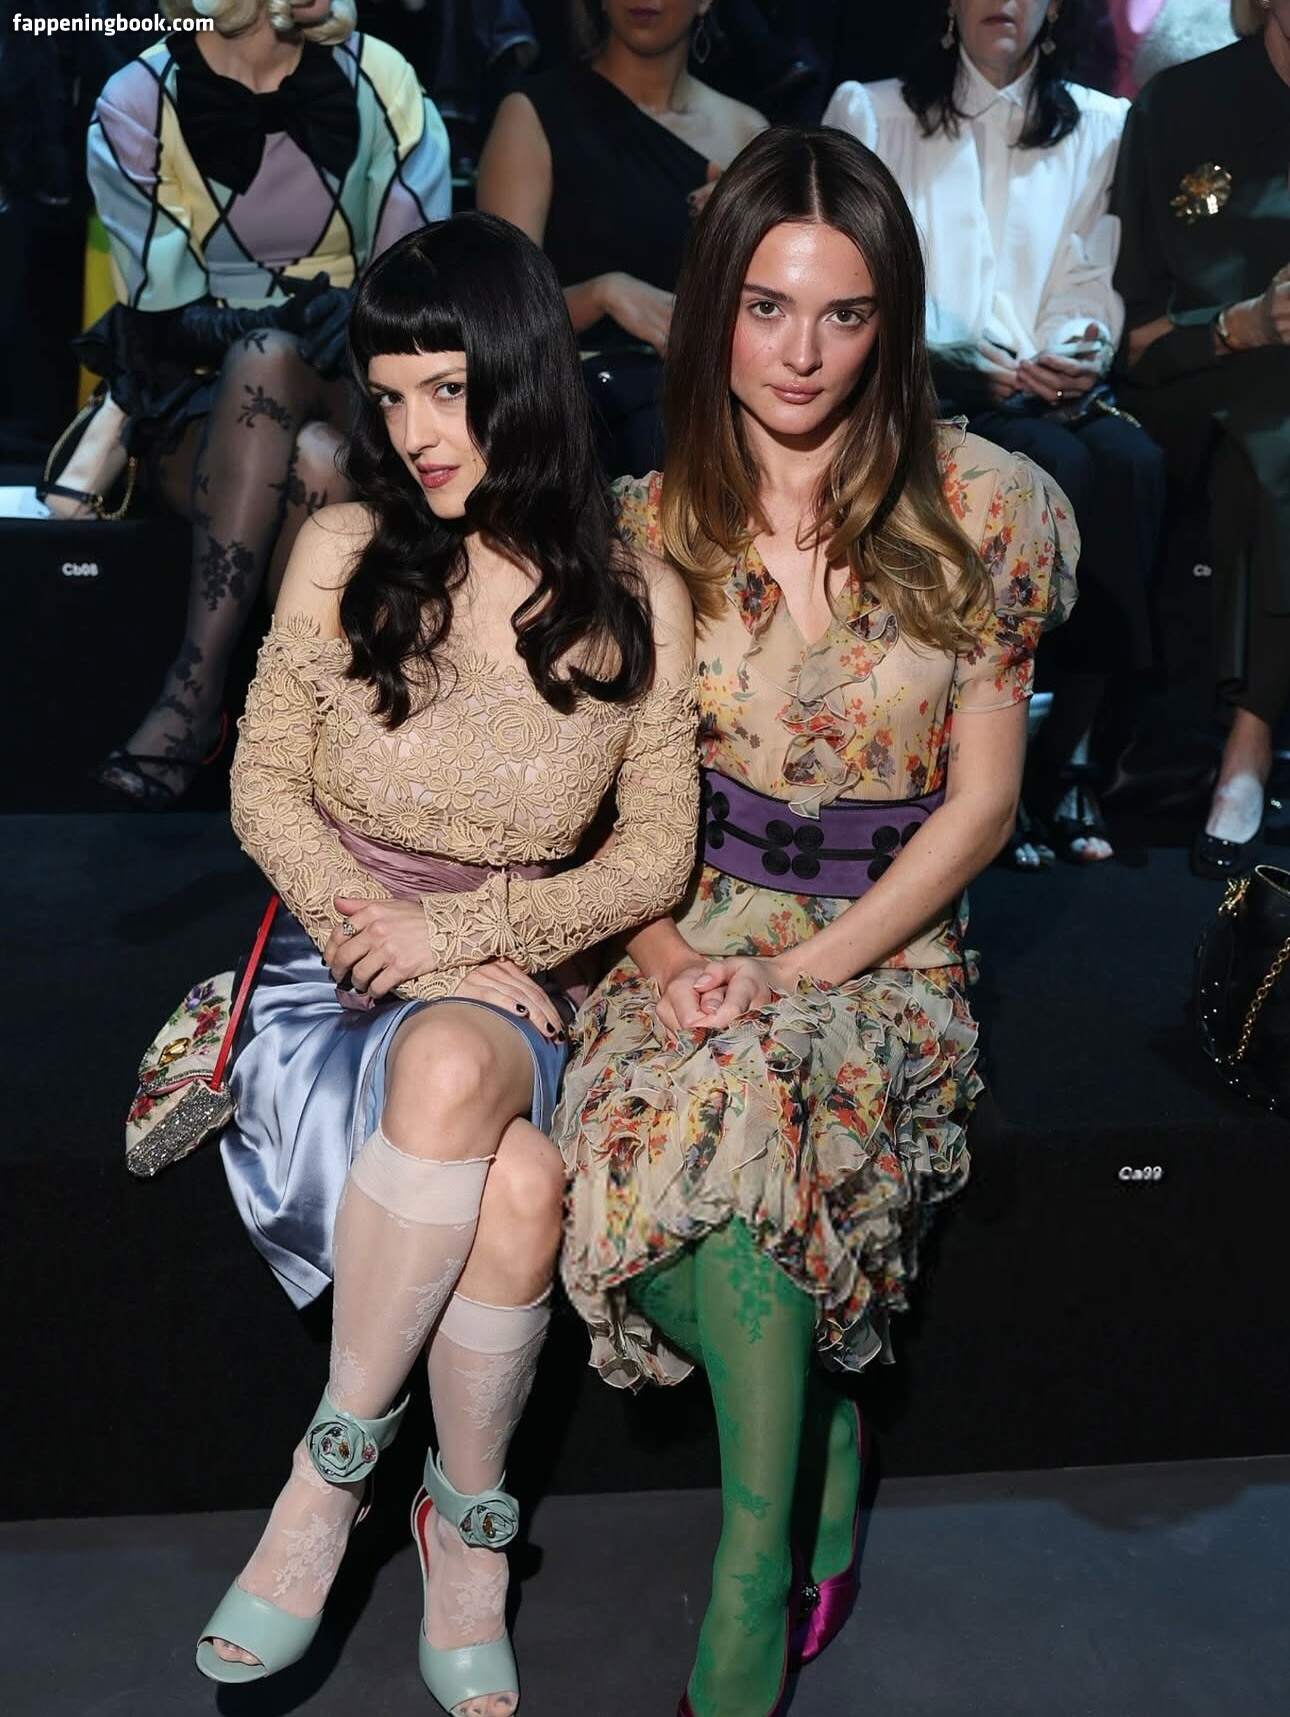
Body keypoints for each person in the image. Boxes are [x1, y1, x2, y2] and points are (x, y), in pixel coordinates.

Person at [553, 127, 1077, 1717]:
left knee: (758, 1099)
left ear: (888, 322)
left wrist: (800, 970)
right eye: (766, 308)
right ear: (712, 309)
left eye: (843, 315)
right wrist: (666, 959)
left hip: (885, 946)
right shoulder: (641, 524)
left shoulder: (986, 507)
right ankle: (824, 1436)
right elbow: (604, 807)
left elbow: (980, 807)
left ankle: (749, 1560)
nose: (800, 353)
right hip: (674, 918)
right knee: (661, 1151)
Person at [198, 213, 698, 1712]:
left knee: (455, 1058)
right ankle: (457, 1519)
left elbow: (649, 863)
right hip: (331, 961)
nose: (416, 433)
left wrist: (467, 936)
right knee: (521, 1185)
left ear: (526, 377)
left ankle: (330, 1473)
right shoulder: (346, 547)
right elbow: (261, 784)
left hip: (510, 976)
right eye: (390, 395)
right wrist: (386, 936)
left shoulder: (634, 597)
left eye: (449, 391)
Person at [47, 0, 451, 807]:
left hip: (359, 379)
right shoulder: (138, 98)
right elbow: (158, 315)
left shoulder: (380, 78)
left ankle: (195, 701)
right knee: (305, 444)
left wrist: (359, 315)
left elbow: (422, 276)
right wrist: (275, 323)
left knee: (286, 374)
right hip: (198, 399)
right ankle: (305, 742)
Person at [825, 0, 1164, 866]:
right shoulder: (875, 112)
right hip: (922, 383)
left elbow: (1094, 263)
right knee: (1050, 464)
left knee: (1132, 464)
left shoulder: (1102, 124)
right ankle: (994, 766)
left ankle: (1072, 755)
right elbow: (853, 266)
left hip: (1048, 383)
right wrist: (966, 359)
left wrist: (1073, 350)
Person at [1112, 0, 1290, 877]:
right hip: (1193, 375)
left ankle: (1249, 743)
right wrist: (1240, 324)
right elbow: (1129, 332)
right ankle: (1246, 752)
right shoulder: (1178, 105)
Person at [475, 0, 765, 476]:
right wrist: (602, 294)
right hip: (572, 417)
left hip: (705, 415)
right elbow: (495, 317)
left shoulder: (746, 134)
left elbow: (772, 312)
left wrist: (738, 222)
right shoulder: (533, 113)